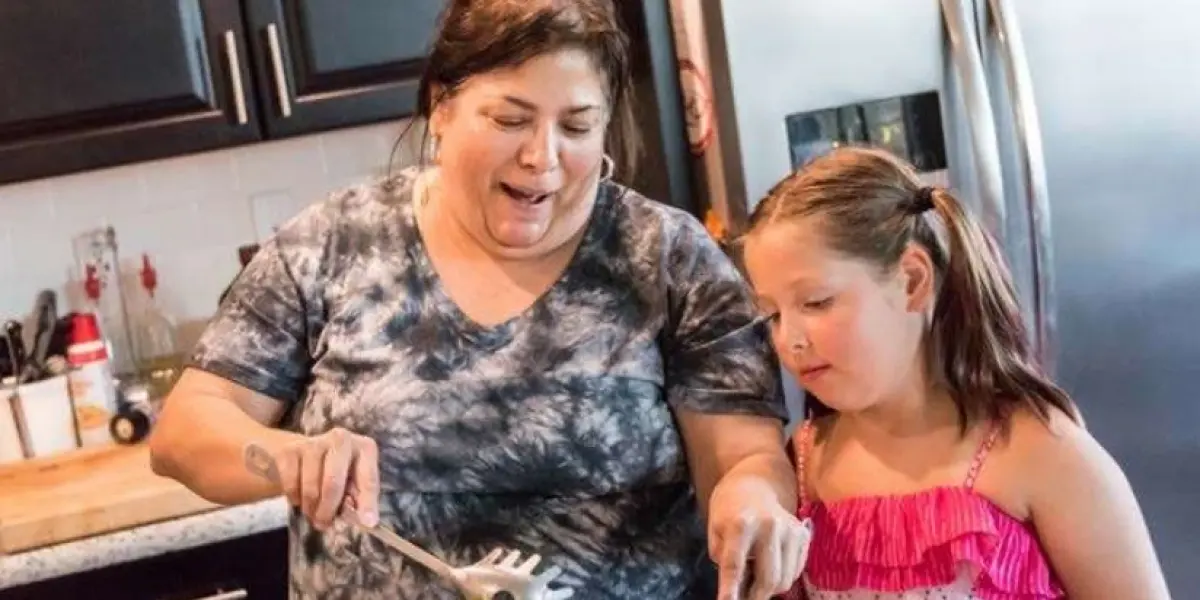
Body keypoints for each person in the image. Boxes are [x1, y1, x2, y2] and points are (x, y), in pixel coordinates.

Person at [148, 1, 810, 598]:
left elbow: (746, 459)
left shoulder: (668, 258)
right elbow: (186, 431)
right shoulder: (329, 246)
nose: (541, 156)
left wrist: (752, 497)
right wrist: (289, 457)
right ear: (442, 106)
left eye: (577, 127)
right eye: (510, 118)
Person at [739, 146, 1172, 599]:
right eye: (772, 315)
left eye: (816, 302)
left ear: (912, 281)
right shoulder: (803, 465)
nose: (789, 339)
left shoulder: (1041, 453)